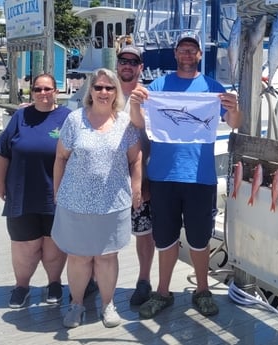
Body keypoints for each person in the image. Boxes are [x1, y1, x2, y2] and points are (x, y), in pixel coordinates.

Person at [129, 31, 242, 319]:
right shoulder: (159, 85)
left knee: (199, 239)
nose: (188, 54)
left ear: (200, 55)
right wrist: (135, 102)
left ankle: (202, 291)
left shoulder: (213, 87)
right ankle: (163, 292)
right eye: (183, 49)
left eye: (193, 49)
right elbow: (141, 123)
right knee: (165, 238)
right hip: (163, 177)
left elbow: (234, 123)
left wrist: (234, 107)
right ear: (176, 54)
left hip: (199, 178)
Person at [51, 68, 143, 328]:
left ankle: (108, 304)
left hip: (113, 204)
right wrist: (57, 191)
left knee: (106, 257)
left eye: (109, 88)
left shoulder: (125, 123)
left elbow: (135, 158)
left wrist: (136, 187)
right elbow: (60, 158)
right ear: (90, 91)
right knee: (79, 256)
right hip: (75, 201)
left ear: (116, 93)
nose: (104, 92)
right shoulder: (74, 119)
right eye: (98, 87)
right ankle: (76, 304)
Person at [0, 74, 70, 309]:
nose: (43, 93)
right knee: (24, 245)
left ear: (57, 91)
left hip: (56, 195)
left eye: (48, 88)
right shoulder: (20, 116)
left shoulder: (67, 118)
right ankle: (22, 286)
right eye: (38, 89)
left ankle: (54, 283)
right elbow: (2, 151)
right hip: (22, 193)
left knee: (53, 245)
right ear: (32, 92)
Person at [116, 44, 156, 306]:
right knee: (103, 234)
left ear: (141, 67)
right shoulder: (103, 91)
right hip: (107, 180)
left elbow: (153, 135)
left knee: (144, 233)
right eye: (123, 60)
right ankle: (97, 279)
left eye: (134, 61)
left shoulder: (151, 97)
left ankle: (144, 280)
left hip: (142, 179)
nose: (128, 65)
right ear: (117, 64)